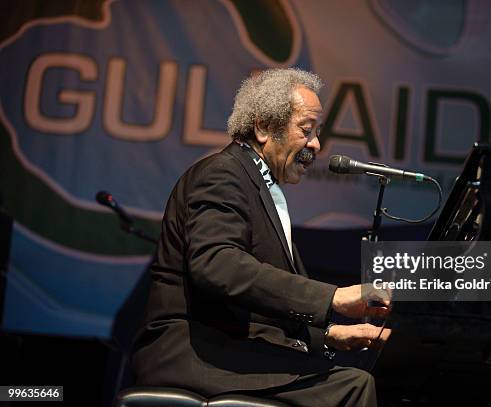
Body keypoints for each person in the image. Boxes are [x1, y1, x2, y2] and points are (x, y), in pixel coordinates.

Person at [131, 68, 389, 406]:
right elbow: (218, 265)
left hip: (226, 346)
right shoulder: (222, 174)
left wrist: (330, 334)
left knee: (351, 375)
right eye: (306, 130)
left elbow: (263, 302)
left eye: (317, 132)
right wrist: (333, 298)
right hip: (192, 351)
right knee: (352, 386)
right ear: (264, 127)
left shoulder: (258, 184)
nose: (316, 144)